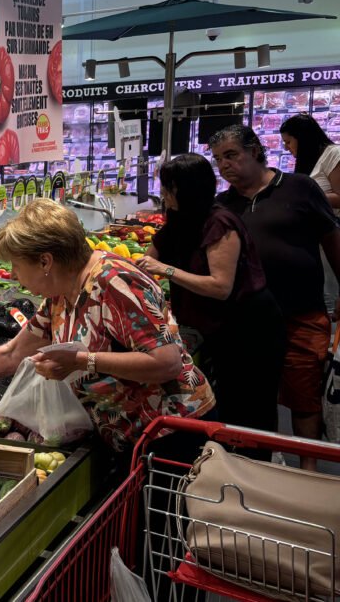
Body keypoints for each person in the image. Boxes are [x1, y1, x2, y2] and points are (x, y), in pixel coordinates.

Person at [0, 199, 215, 453]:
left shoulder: (115, 283)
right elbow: (12, 352)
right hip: (128, 433)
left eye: (17, 266)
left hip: (171, 433)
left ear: (45, 262)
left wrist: (82, 361)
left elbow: (166, 363)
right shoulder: (63, 292)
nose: (15, 276)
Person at [138, 154, 284, 458]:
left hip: (248, 327)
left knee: (248, 409)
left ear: (185, 189)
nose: (163, 193)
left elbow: (220, 287)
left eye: (168, 187)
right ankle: (223, 471)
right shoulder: (179, 220)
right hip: (213, 327)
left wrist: (164, 270)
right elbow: (145, 261)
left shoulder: (220, 222)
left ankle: (252, 480)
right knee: (224, 405)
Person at [213, 124, 340, 470]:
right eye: (218, 159)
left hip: (301, 313)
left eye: (231, 155)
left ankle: (309, 471)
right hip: (248, 321)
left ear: (255, 150)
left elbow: (331, 239)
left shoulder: (300, 188)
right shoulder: (223, 205)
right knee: (256, 399)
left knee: (304, 396)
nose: (224, 165)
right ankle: (264, 467)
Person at [281, 113, 340, 314]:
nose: (286, 148)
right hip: (311, 238)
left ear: (302, 138)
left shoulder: (333, 154)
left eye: (289, 142)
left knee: (330, 295)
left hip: (332, 233)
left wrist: (307, 196)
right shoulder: (309, 161)